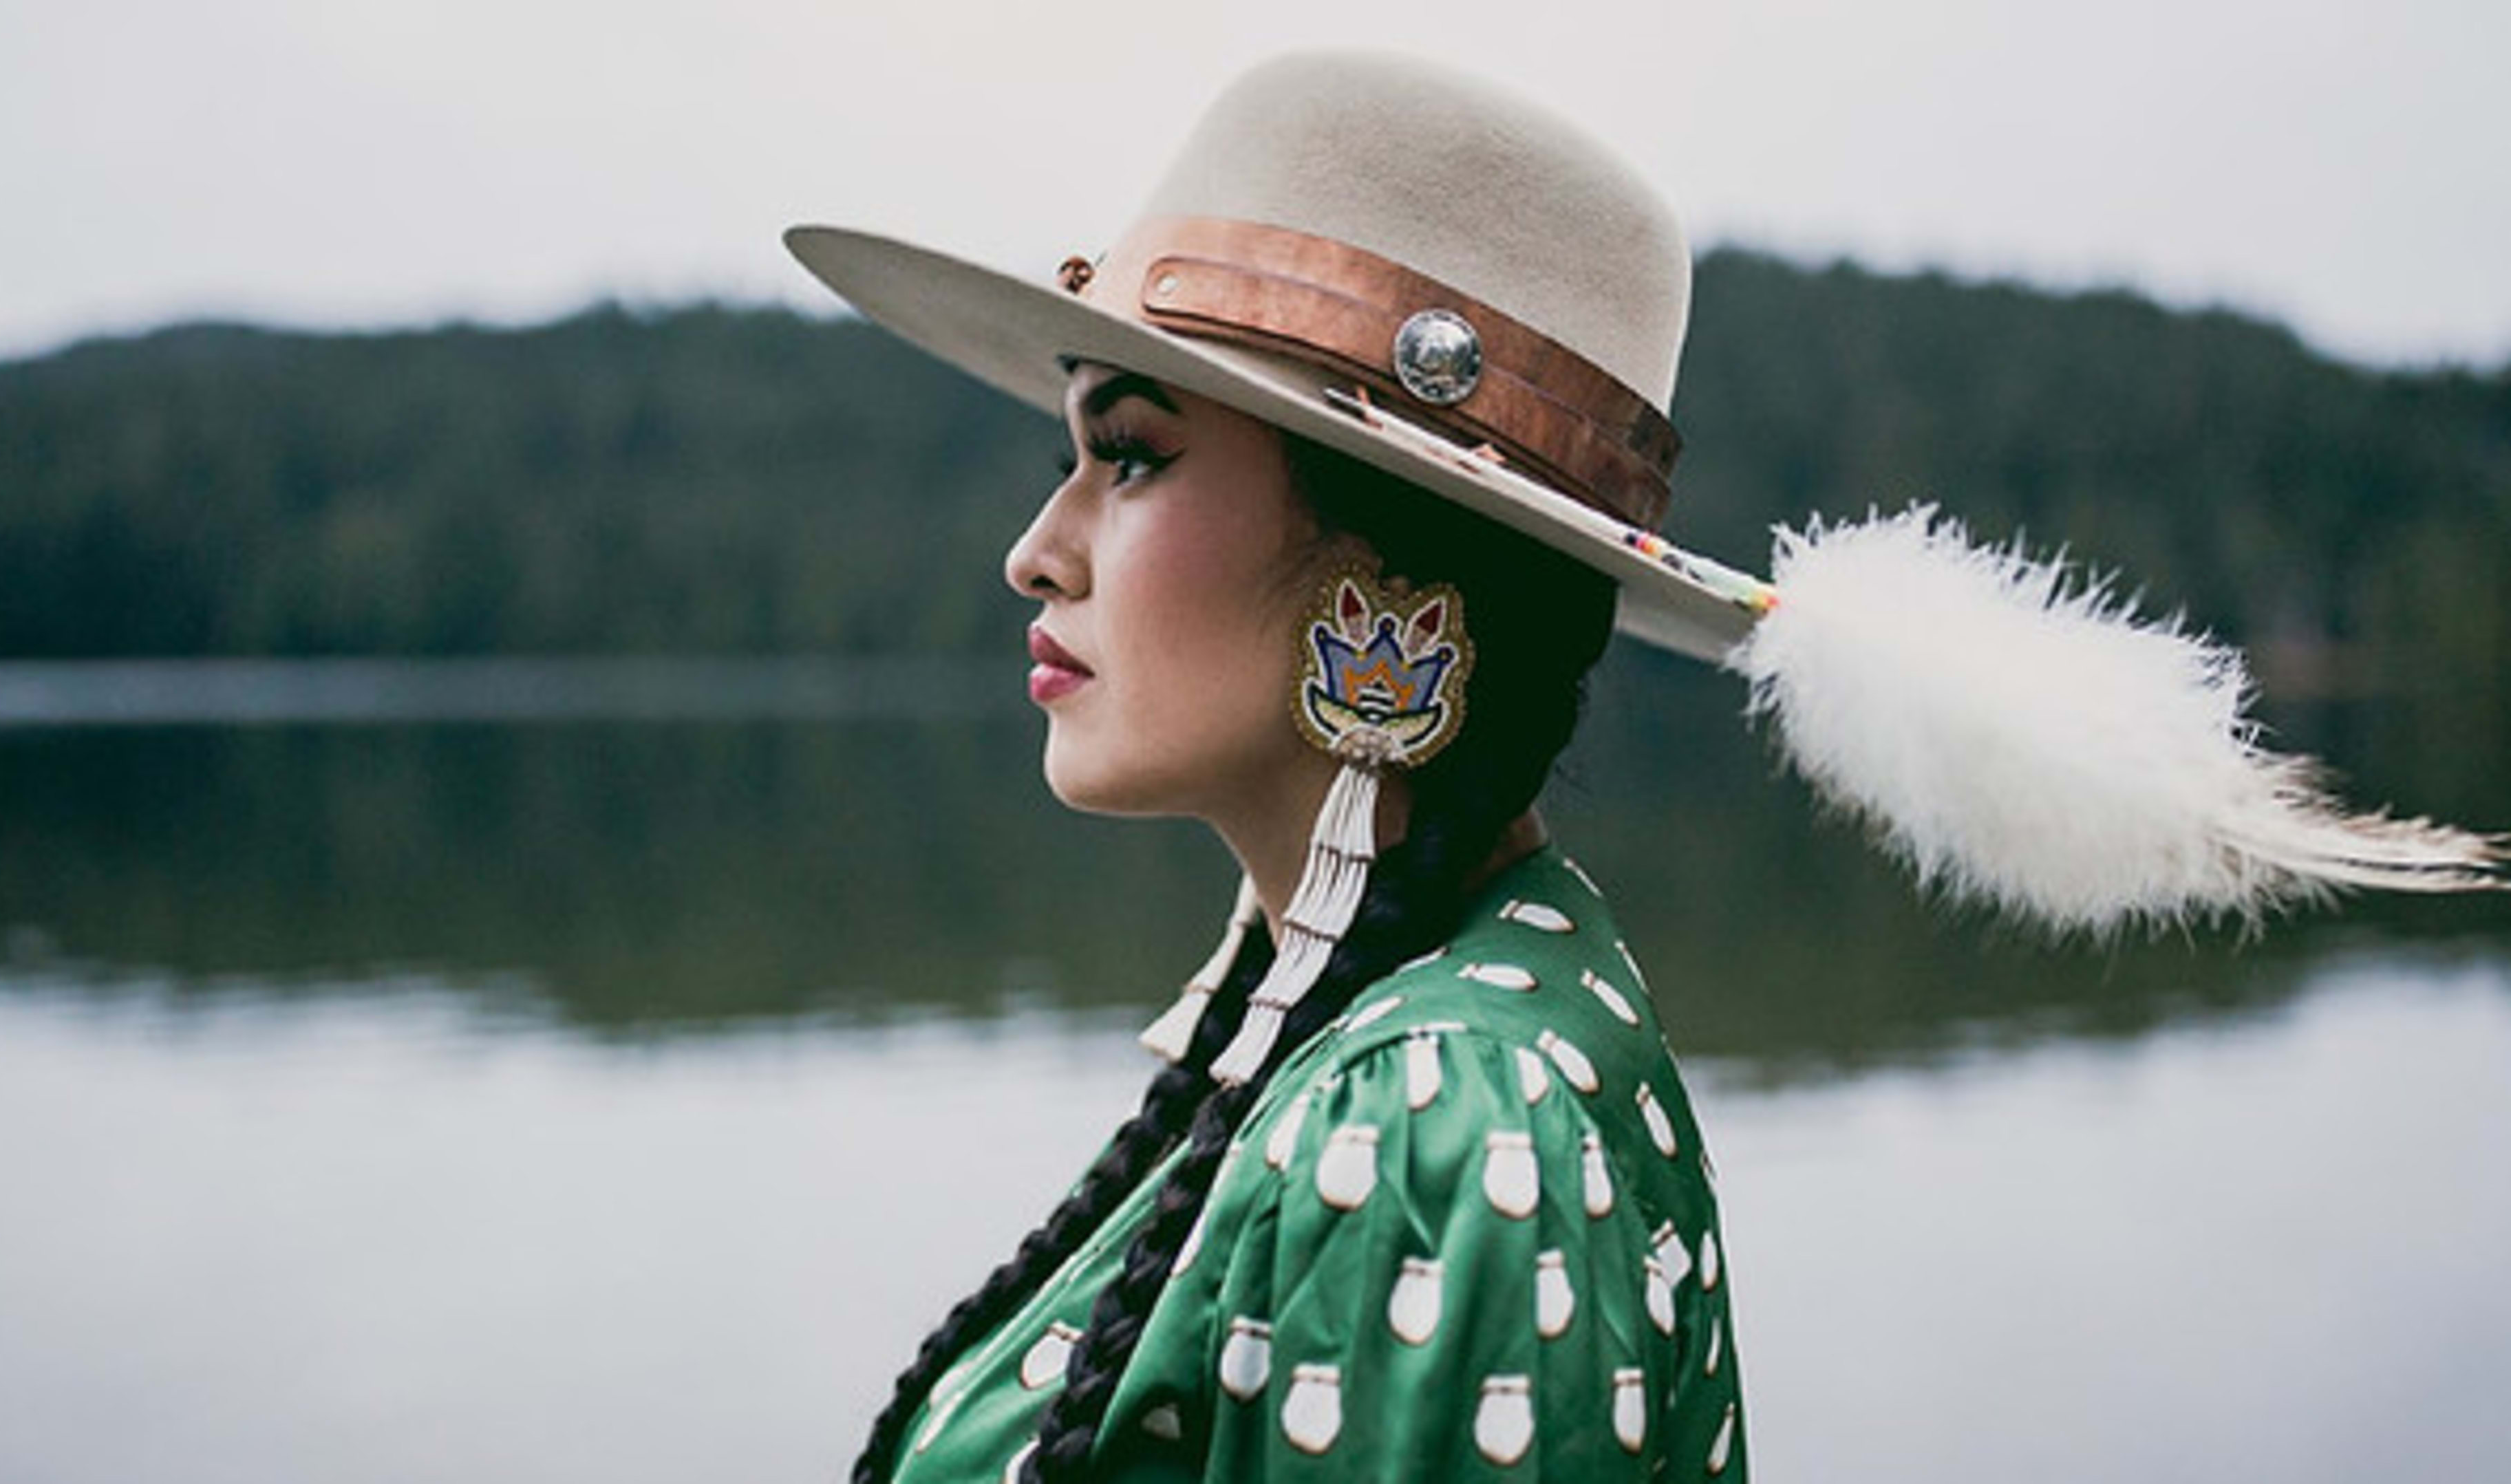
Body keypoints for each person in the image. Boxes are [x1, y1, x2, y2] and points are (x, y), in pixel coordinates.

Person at [788, 48, 2499, 1484]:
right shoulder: (1382, 1020)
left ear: (1392, 580)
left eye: (1134, 458)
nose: (1037, 549)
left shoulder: (1443, 1121)